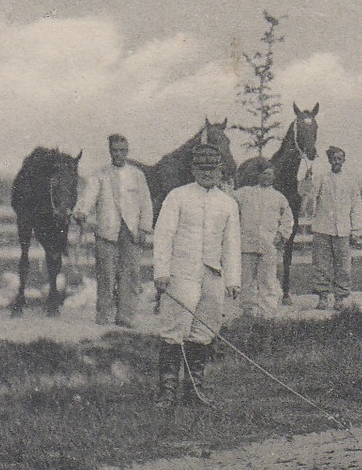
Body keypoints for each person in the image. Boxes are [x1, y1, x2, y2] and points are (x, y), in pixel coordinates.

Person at [152, 144, 241, 407]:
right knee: (174, 330)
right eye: (201, 169)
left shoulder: (227, 203)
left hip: (212, 275)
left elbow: (231, 243)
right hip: (182, 273)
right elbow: (163, 235)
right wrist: (161, 271)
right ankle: (167, 393)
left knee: (203, 331)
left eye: (212, 169)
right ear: (192, 170)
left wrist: (233, 279)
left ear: (220, 171)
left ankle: (194, 392)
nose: (207, 173)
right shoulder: (177, 197)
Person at [74, 132, 153, 327]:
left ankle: (126, 316)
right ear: (110, 152)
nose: (119, 154)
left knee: (131, 275)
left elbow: (146, 204)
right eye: (115, 151)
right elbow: (88, 197)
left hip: (131, 232)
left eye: (123, 151)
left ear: (127, 151)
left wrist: (144, 228)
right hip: (107, 232)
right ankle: (104, 316)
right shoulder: (100, 175)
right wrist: (82, 212)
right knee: (106, 275)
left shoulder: (137, 175)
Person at [303, 144, 362, 311]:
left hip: (343, 231)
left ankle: (340, 298)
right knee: (321, 265)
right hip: (322, 229)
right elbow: (310, 203)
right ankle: (323, 297)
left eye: (340, 158)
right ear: (329, 160)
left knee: (343, 266)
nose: (336, 162)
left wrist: (356, 229)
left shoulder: (351, 181)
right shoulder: (322, 179)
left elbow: (356, 207)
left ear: (344, 160)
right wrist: (308, 184)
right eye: (333, 159)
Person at [234, 157, 294, 319]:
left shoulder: (279, 197)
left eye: (269, 174)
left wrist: (282, 234)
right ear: (258, 175)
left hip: (268, 246)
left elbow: (288, 219)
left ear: (273, 177)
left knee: (267, 280)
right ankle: (247, 311)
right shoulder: (244, 193)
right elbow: (228, 200)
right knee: (246, 280)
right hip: (247, 245)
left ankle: (267, 313)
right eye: (263, 174)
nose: (266, 177)